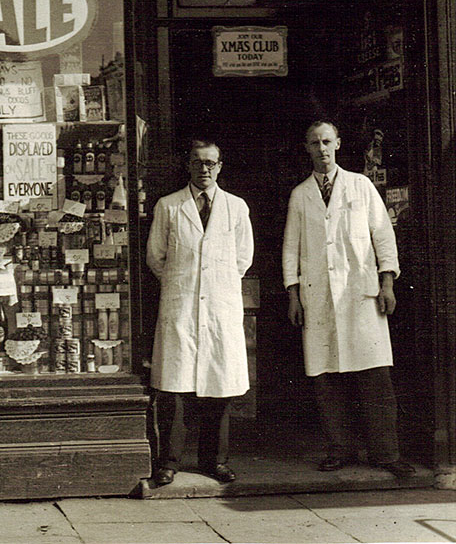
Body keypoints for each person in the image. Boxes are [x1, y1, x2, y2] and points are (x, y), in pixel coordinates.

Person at [282, 121, 414, 478]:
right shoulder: (300, 194)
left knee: (375, 377)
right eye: (314, 142)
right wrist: (293, 294)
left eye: (327, 141)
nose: (321, 148)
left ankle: (386, 454)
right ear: (307, 148)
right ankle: (339, 449)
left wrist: (387, 284)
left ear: (338, 144)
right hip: (318, 297)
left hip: (361, 295)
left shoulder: (361, 185)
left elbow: (383, 237)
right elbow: (290, 248)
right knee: (327, 377)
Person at [146, 139, 254, 486]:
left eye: (210, 163)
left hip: (220, 307)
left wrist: (213, 284)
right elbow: (156, 258)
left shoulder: (236, 208)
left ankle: (215, 461)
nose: (204, 169)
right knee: (175, 389)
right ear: (188, 166)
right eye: (197, 162)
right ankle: (169, 462)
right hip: (181, 304)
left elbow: (242, 258)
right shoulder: (169, 206)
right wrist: (186, 282)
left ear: (220, 166)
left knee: (218, 387)